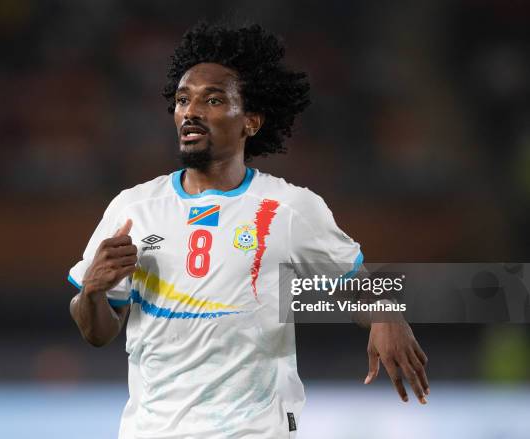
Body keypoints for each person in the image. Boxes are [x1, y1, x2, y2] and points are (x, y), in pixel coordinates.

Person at [68, 21, 429, 439]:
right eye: (183, 100)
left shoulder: (291, 209)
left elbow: (357, 285)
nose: (191, 112)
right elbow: (97, 333)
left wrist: (387, 314)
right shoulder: (134, 208)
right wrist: (91, 292)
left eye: (213, 100)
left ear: (250, 122)